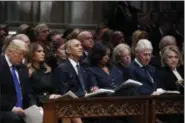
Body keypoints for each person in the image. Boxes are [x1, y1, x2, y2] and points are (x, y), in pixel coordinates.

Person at [0, 39, 36, 123]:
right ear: (9, 52)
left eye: (24, 55)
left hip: (22, 110)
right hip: (4, 109)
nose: (22, 58)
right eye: (20, 54)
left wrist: (34, 107)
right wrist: (12, 108)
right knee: (15, 118)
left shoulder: (23, 68)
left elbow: (29, 91)